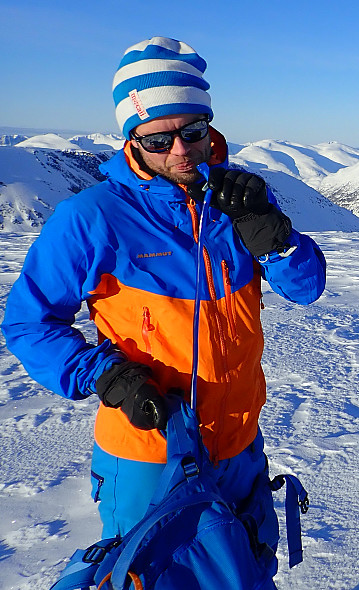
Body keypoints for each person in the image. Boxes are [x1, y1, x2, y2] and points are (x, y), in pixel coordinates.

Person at [0, 37, 326, 560]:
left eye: (192, 131)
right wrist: (107, 377)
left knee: (246, 567)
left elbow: (306, 290)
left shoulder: (238, 200)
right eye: (158, 139)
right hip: (147, 453)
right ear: (132, 139)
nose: (180, 150)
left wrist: (274, 237)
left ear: (209, 127)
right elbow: (28, 325)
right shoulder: (91, 217)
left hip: (239, 446)